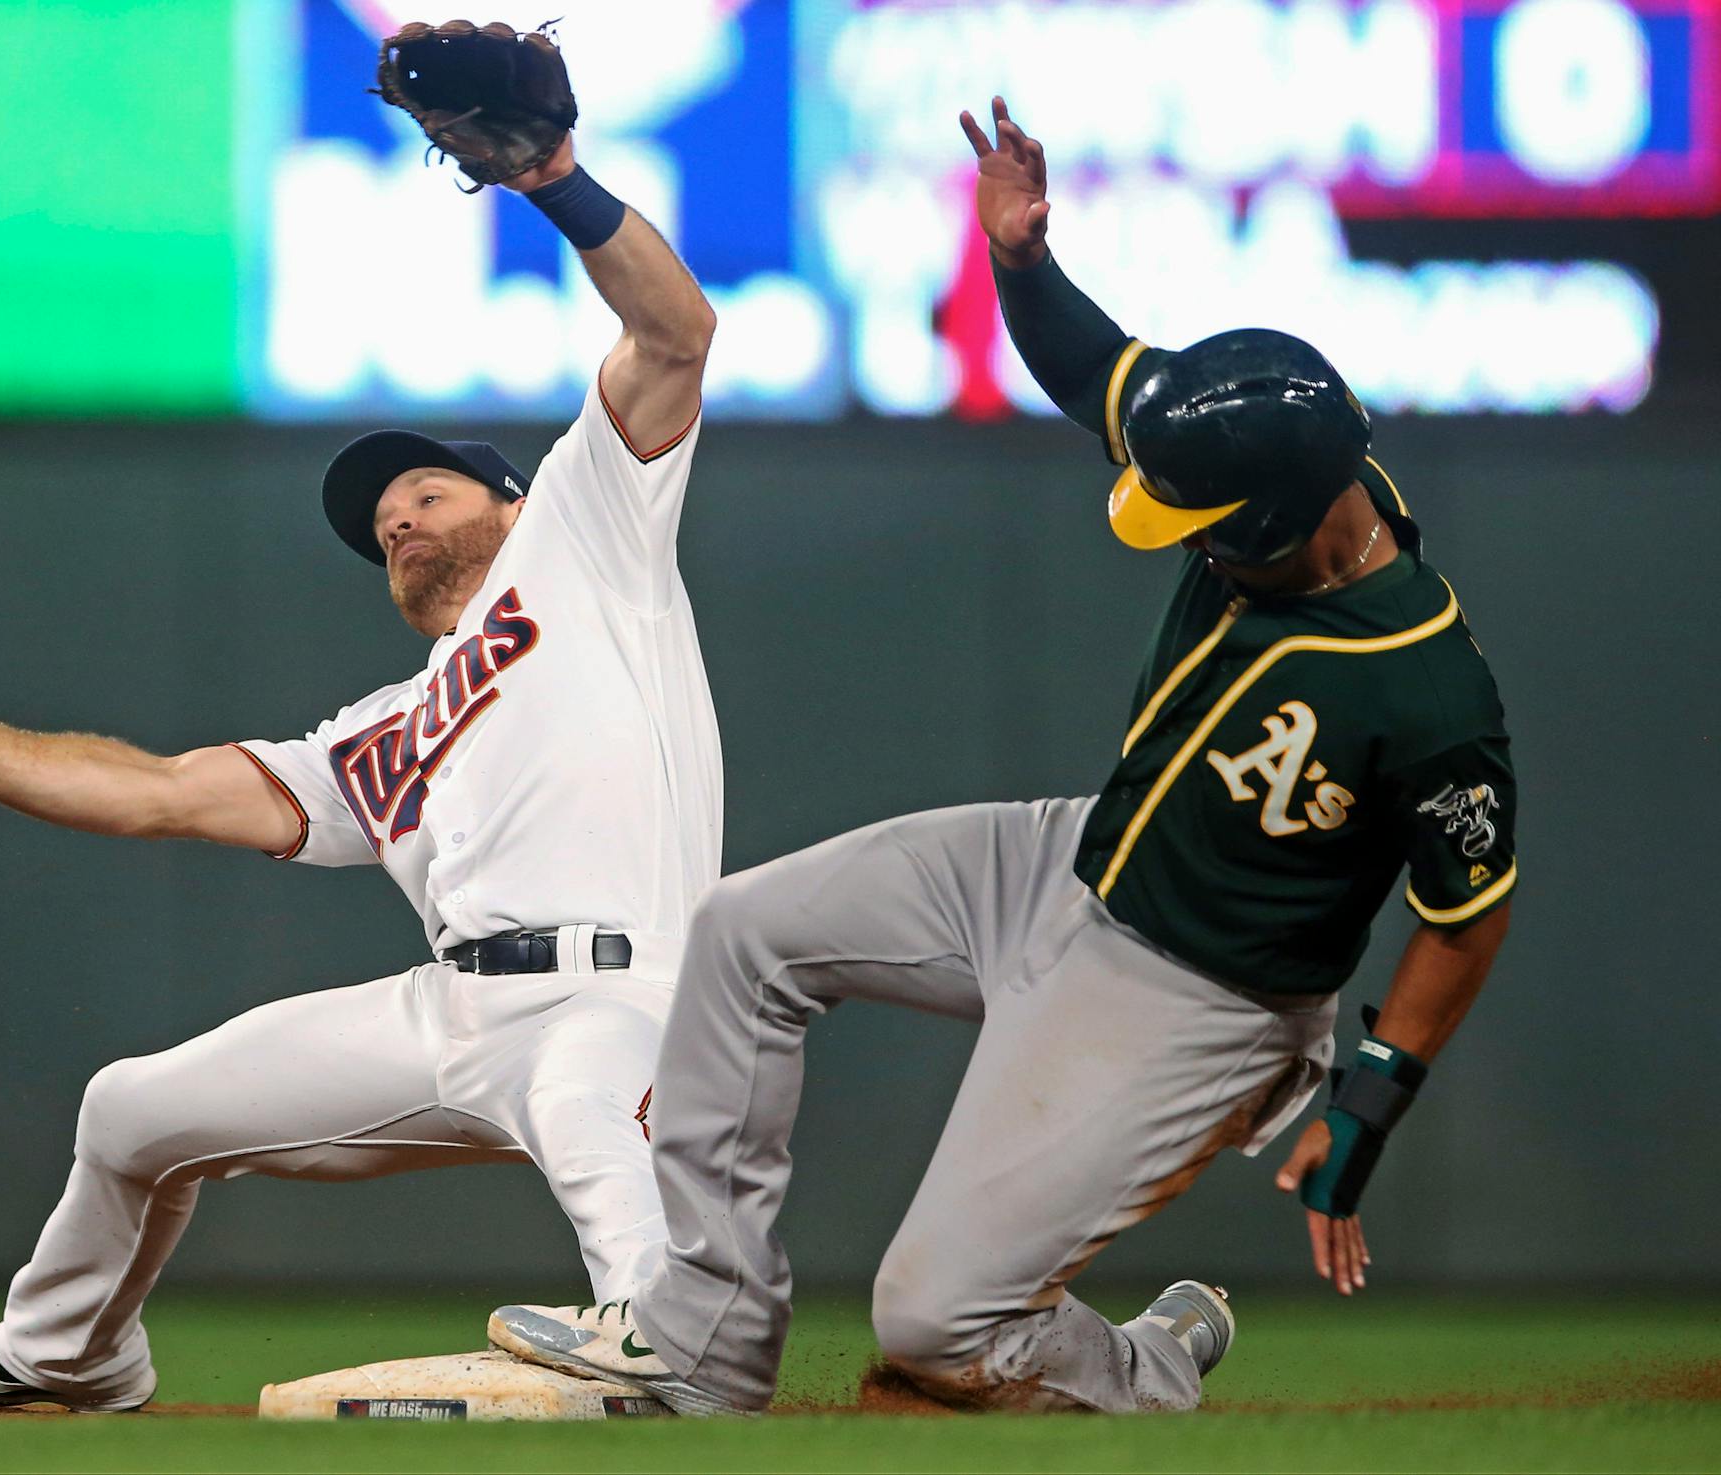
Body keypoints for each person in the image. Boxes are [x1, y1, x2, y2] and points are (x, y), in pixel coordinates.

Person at [485, 95, 1519, 1416]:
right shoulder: (1250, 441)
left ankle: (1150, 1362)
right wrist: (1021, 260)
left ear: (1288, 510)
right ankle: (706, 1341)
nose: (1184, 536)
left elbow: (1469, 911)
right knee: (744, 937)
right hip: (1065, 859)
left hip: (1198, 994)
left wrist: (1370, 1099)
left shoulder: (1428, 686)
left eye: (1209, 523)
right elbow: (1092, 370)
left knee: (932, 1325)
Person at [0, 117, 721, 1410]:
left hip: (620, 996)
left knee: (600, 1134)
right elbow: (163, 791)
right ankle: (59, 1357)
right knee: (131, 1111)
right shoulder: (386, 727)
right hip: (449, 1013)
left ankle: (671, 1338)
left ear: (515, 499)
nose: (398, 518)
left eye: (422, 490)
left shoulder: (586, 538)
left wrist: (553, 181)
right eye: (380, 522)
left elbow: (677, 332)